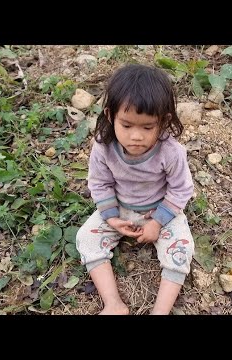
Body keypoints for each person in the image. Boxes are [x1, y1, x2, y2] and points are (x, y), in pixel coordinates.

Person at [76, 63, 194, 315]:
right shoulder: (103, 147)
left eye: (147, 127)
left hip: (160, 210)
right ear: (110, 116)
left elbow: (181, 189)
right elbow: (100, 182)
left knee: (183, 249)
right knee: (85, 238)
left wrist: (158, 222)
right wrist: (111, 218)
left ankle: (159, 311)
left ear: (164, 121)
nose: (136, 136)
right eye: (127, 126)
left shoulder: (171, 152)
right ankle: (113, 303)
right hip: (120, 207)